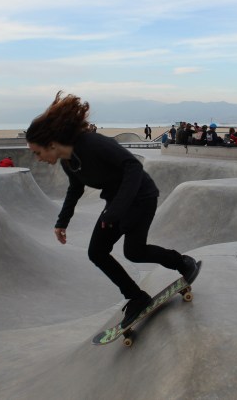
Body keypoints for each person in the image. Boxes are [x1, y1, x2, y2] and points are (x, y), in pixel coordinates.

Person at [25, 92, 201, 329]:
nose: (38, 159)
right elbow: (75, 189)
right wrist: (62, 221)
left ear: (51, 144)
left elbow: (133, 167)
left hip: (141, 197)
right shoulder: (69, 162)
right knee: (97, 252)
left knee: (134, 252)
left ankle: (183, 263)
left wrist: (116, 210)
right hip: (117, 205)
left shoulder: (92, 143)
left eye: (37, 152)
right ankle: (136, 297)